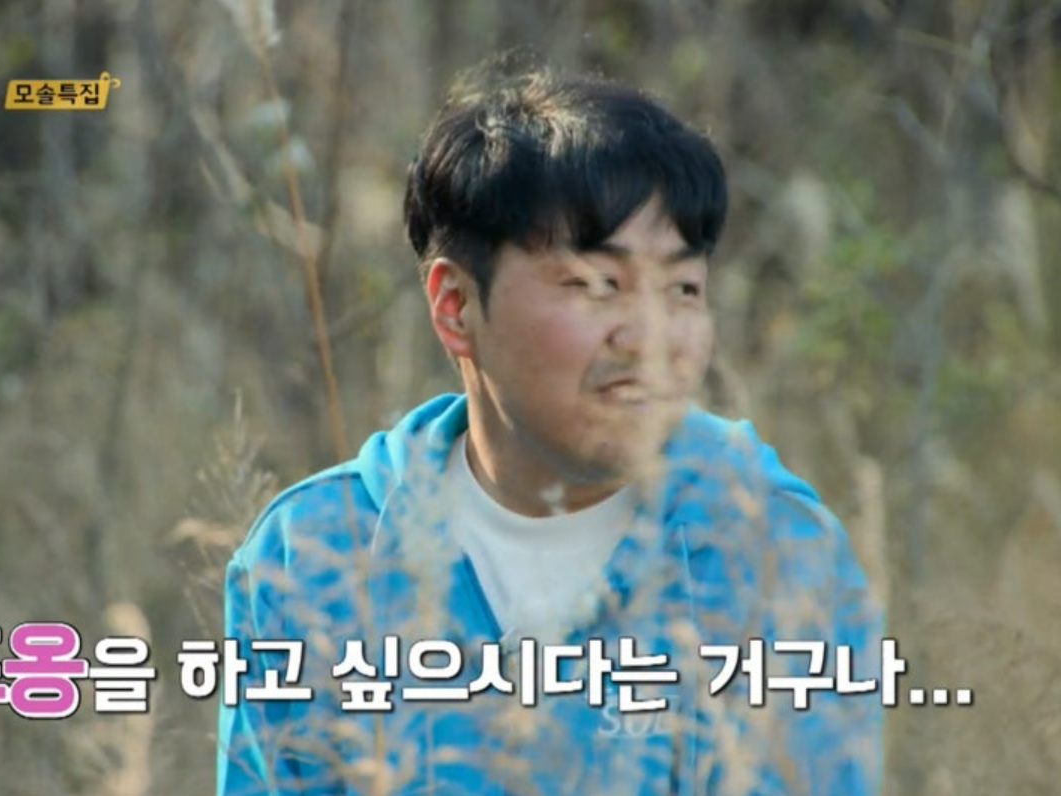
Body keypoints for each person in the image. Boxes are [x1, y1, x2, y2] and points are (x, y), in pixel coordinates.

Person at [216, 62, 884, 796]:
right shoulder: (314, 555)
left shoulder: (773, 550)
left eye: (682, 289)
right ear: (455, 306)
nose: (651, 338)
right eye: (597, 285)